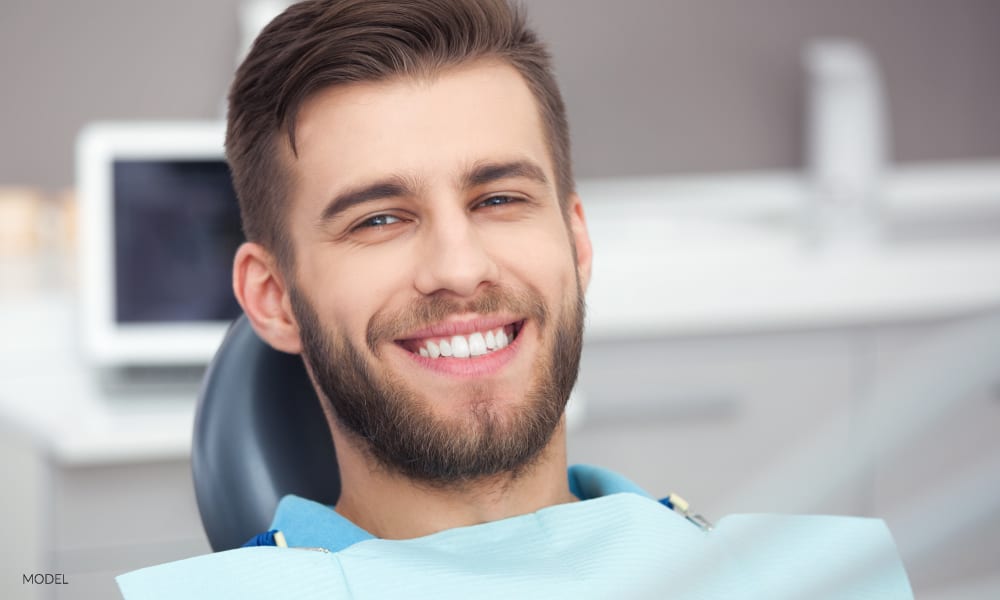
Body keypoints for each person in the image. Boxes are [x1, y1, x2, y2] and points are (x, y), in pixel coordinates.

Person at [117, 1, 913, 597]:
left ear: (577, 241)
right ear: (274, 298)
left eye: (499, 199)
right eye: (380, 218)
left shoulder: (822, 581)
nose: (460, 270)